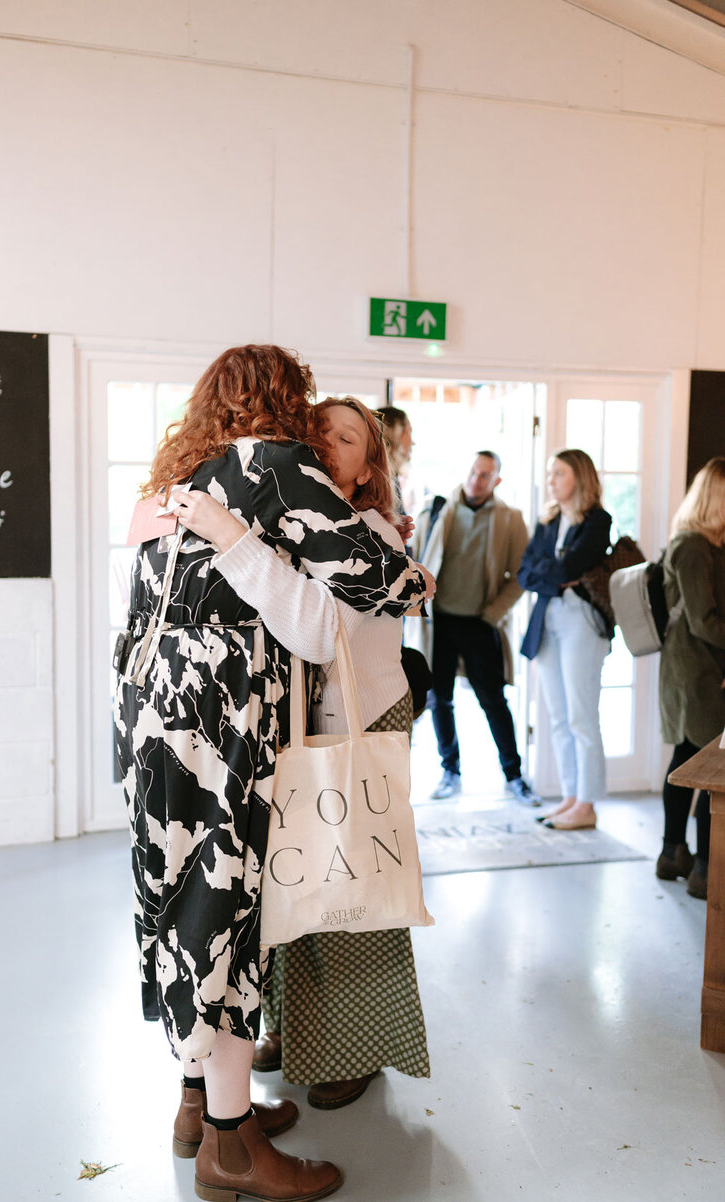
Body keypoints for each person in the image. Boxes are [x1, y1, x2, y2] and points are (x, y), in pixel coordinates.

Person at [114, 346, 430, 1202]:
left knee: (177, 909)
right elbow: (387, 588)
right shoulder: (277, 468)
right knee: (222, 920)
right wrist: (407, 568)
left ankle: (201, 1105)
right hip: (223, 733)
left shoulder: (178, 484)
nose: (316, 434)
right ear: (284, 403)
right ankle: (231, 1145)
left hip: (151, 726)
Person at [177, 396, 432, 1109]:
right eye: (318, 427)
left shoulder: (373, 530)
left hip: (364, 717)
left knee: (355, 890)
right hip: (308, 722)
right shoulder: (300, 522)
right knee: (300, 887)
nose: (327, 439)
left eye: (347, 436)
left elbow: (323, 633)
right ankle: (299, 1031)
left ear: (367, 468)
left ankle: (363, 1045)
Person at [410, 451, 540, 805]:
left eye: (485, 475)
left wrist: (493, 613)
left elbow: (521, 576)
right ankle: (450, 770)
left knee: (494, 700)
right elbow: (414, 559)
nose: (476, 479)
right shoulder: (436, 511)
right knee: (440, 700)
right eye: (473, 471)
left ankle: (514, 775)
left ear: (496, 480)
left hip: (480, 623)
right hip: (439, 623)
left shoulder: (510, 520)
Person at [518, 449, 612, 831]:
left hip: (581, 620)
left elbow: (570, 566)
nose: (551, 480)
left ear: (580, 477)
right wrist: (553, 573)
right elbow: (526, 572)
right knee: (557, 715)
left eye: (559, 473)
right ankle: (571, 797)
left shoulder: (597, 520)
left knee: (580, 715)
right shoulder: (548, 518)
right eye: (550, 473)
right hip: (548, 618)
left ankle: (587, 804)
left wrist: (553, 572)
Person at [656, 457, 725, 900]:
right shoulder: (694, 548)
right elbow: (704, 621)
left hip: (690, 671)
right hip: (700, 672)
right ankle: (703, 867)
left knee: (687, 758)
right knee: (712, 770)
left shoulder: (698, 546)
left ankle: (673, 854)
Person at [376, 404, 413, 515]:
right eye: (409, 432)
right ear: (394, 436)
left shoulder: (389, 479)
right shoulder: (382, 483)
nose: (413, 442)